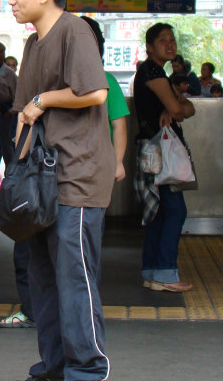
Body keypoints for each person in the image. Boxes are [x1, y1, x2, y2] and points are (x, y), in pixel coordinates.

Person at [2, 0, 114, 381]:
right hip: (40, 180)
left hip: (78, 176)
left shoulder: (74, 30)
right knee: (41, 279)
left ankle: (88, 375)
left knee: (74, 277)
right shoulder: (32, 45)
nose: (10, 1)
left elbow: (95, 91)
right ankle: (53, 368)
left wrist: (42, 99)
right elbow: (26, 110)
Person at [133, 23, 196, 293]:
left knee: (159, 211)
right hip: (158, 149)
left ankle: (153, 271)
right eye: (162, 40)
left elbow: (187, 108)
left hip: (152, 147)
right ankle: (166, 273)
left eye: (172, 40)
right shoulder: (152, 70)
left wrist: (178, 106)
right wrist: (176, 106)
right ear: (149, 47)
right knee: (175, 210)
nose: (170, 44)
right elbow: (179, 109)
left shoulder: (160, 73)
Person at [80, 16, 130, 183]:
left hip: (98, 164)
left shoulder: (108, 81)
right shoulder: (60, 80)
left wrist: (118, 162)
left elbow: (119, 124)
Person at [0, 41, 18, 165]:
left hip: (6, 114)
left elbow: (18, 97)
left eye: (1, 51)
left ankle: (11, 175)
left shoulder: (9, 74)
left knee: (6, 145)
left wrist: (10, 112)